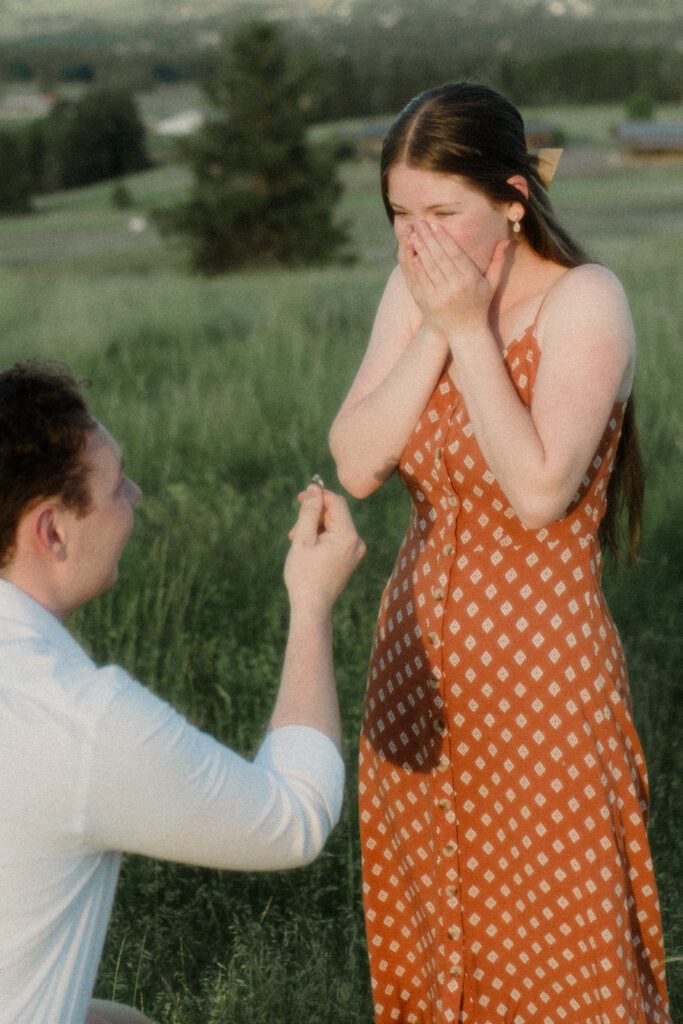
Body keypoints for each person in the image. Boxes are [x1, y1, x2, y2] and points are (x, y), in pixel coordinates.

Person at [329, 83, 671, 1024]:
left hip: (542, 686)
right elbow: (358, 461)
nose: (418, 239)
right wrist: (436, 325)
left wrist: (466, 331)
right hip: (414, 674)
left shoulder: (585, 300)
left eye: (443, 212)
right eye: (401, 214)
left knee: (563, 955)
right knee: (438, 950)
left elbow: (537, 491)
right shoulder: (413, 291)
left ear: (513, 200)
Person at [0, 361, 365, 1024]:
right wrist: (310, 603)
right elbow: (293, 819)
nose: (134, 495)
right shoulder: (81, 721)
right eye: (115, 487)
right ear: (51, 531)